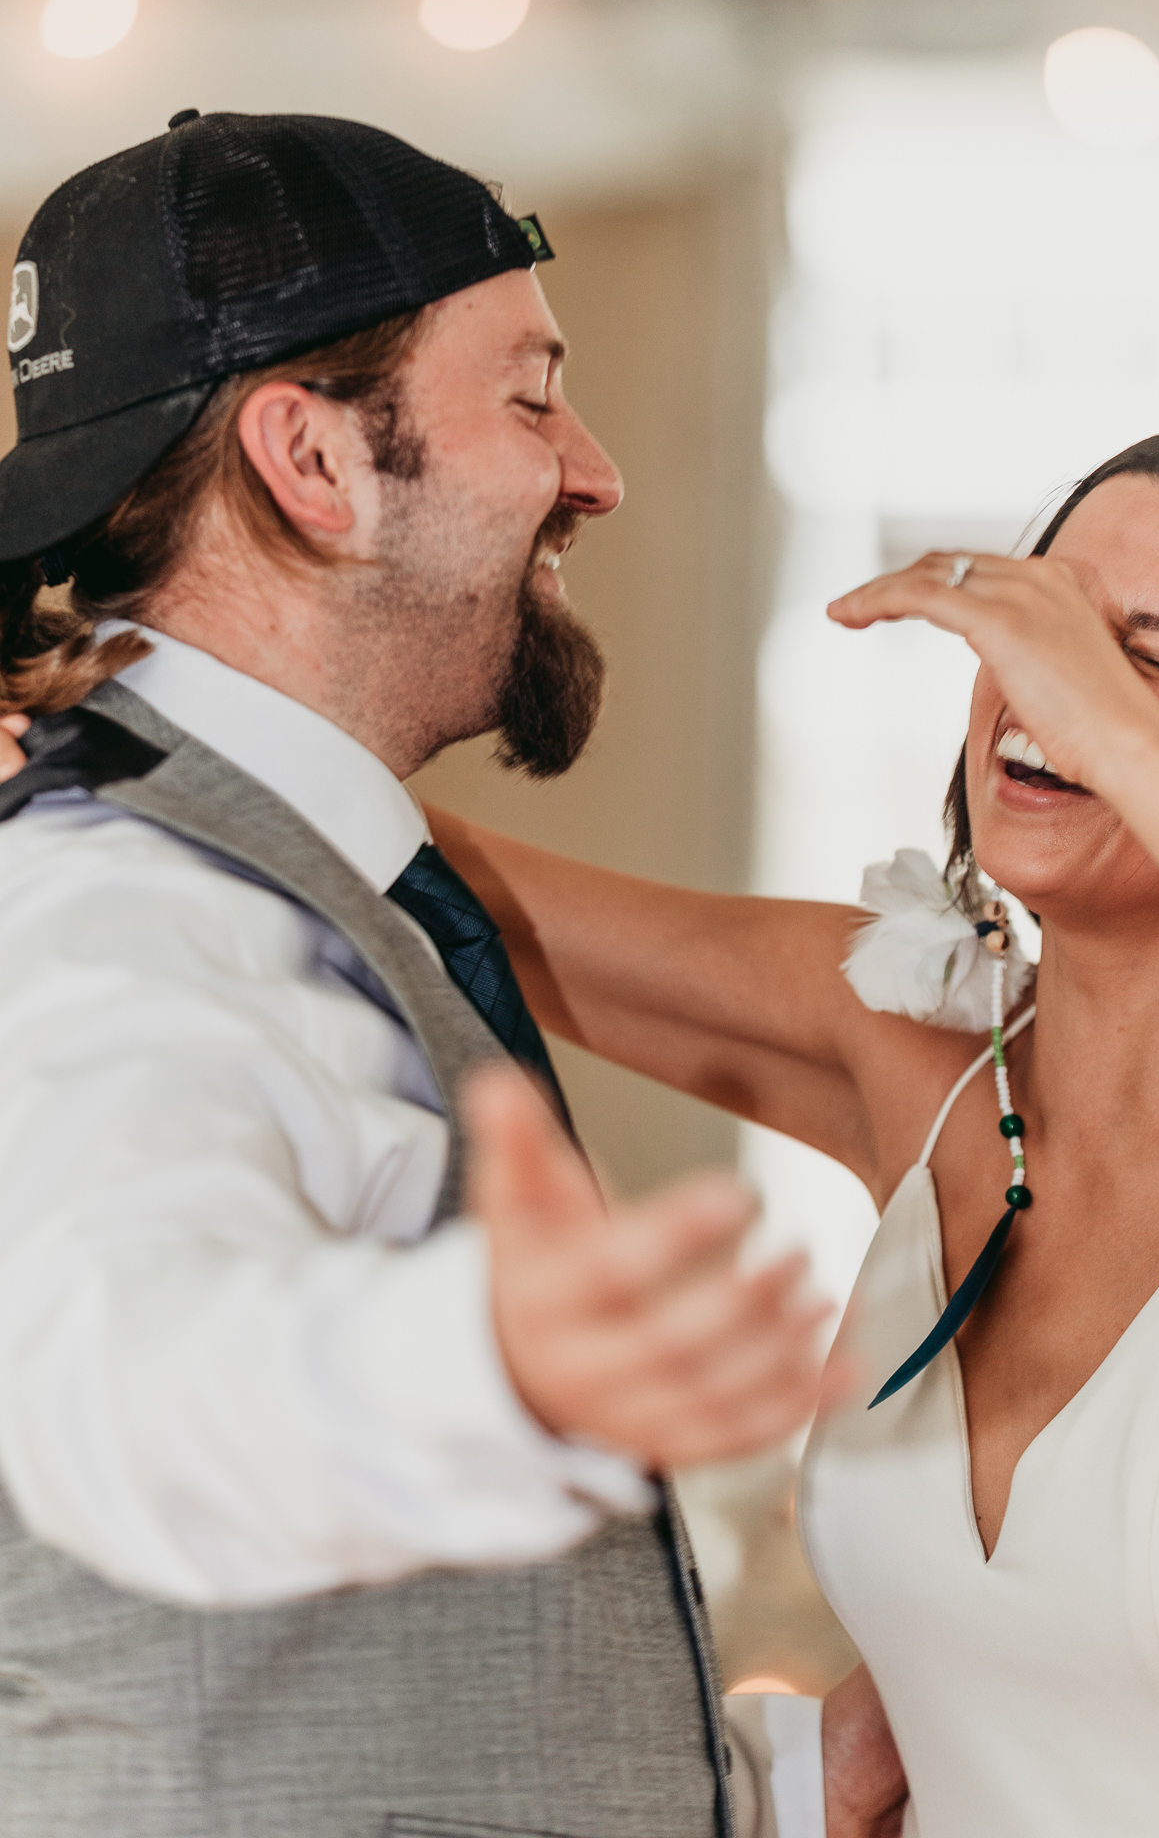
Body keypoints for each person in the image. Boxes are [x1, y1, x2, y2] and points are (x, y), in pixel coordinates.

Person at [0, 113, 906, 1838]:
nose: (598, 470)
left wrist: (768, 1790)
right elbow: (123, 1382)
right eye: (533, 393)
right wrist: (486, 1366)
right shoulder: (115, 903)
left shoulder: (298, 864)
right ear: (315, 465)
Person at [292, 428, 1159, 1835]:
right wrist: (107, 718)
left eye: (1154, 661)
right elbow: (415, 884)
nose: (1040, 691)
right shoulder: (912, 1056)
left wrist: (1091, 703)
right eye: (1034, 621)